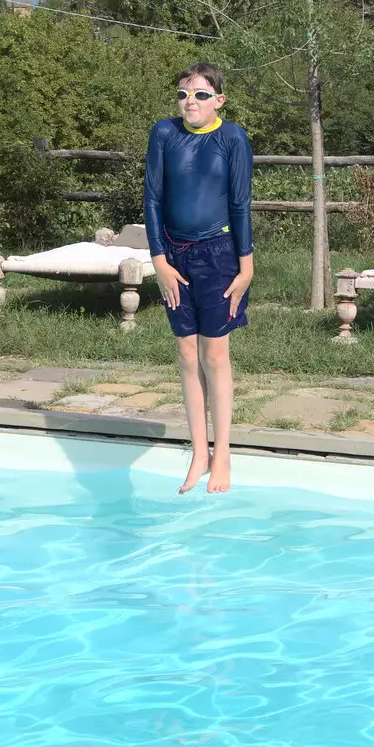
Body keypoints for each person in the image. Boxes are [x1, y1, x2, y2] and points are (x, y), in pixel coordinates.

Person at [143, 62, 254, 494]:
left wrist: (246, 266)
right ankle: (199, 452)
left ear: (219, 101)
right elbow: (152, 197)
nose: (191, 101)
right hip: (174, 257)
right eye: (184, 94)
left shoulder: (232, 138)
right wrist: (159, 260)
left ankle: (223, 453)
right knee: (187, 355)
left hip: (219, 255)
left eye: (201, 94)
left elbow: (241, 203)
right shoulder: (164, 134)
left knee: (215, 355)